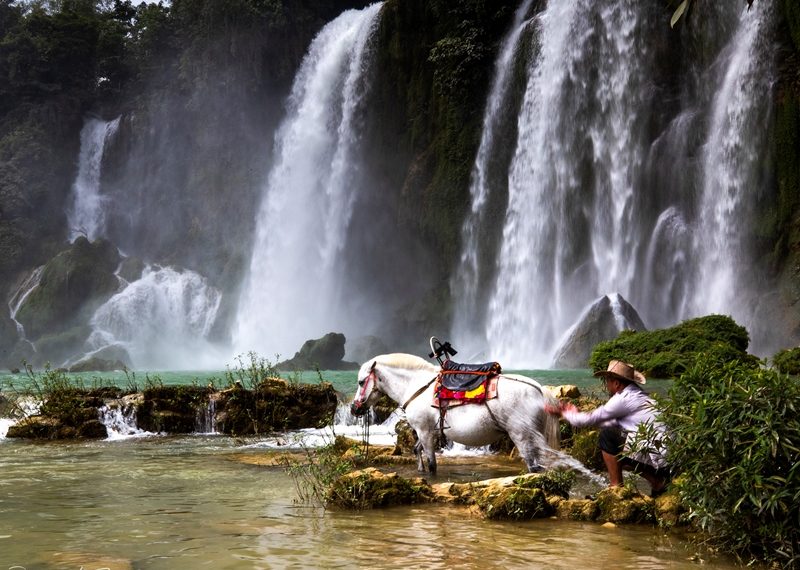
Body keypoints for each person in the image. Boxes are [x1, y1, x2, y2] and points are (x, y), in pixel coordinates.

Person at [546, 359, 670, 497]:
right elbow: (607, 421)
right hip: (666, 455)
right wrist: (578, 414)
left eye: (607, 381)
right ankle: (658, 482)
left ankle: (616, 487)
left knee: (608, 436)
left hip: (656, 454)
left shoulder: (623, 398)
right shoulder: (636, 394)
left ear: (616, 383)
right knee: (616, 444)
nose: (606, 385)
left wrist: (564, 413)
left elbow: (591, 421)